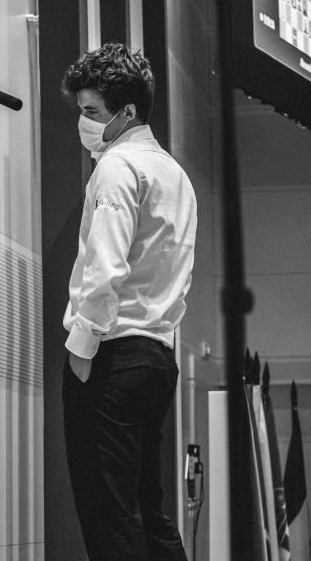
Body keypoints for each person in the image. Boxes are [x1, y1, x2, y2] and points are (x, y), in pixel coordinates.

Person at [60, 43, 196, 560]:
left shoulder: (118, 166)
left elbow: (105, 266)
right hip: (157, 356)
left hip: (111, 356)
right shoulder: (176, 176)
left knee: (108, 515)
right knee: (146, 508)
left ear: (128, 111)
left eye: (93, 111)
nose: (84, 122)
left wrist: (82, 348)